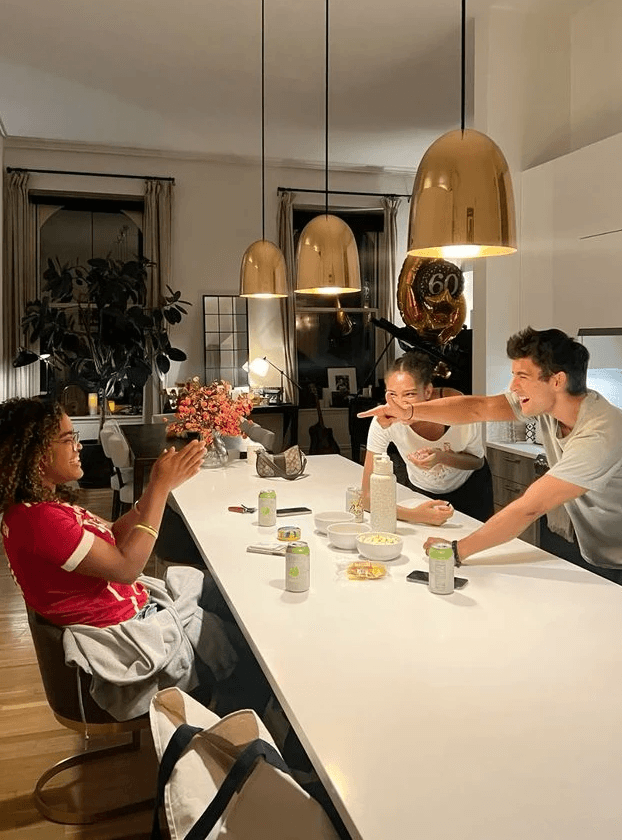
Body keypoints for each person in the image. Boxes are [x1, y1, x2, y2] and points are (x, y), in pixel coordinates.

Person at [0, 397, 270, 719]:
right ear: (35, 451)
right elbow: (127, 568)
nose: (78, 446)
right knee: (256, 649)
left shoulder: (42, 509)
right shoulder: (39, 522)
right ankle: (226, 731)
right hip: (129, 628)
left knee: (231, 596)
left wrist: (156, 490)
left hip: (134, 608)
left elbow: (114, 532)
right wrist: (159, 489)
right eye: (67, 439)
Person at [361, 327, 622, 582]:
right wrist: (409, 414)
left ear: (557, 380)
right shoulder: (548, 408)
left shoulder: (600, 432)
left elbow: (530, 508)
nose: (513, 385)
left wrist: (456, 550)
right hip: (597, 549)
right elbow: (478, 408)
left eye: (522, 376)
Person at [360, 351, 494, 524]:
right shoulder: (384, 421)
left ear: (428, 391)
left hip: (471, 490)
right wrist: (416, 515)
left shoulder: (460, 411)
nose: (399, 404)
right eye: (392, 394)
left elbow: (477, 462)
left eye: (409, 394)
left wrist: (441, 457)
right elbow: (366, 497)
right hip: (421, 492)